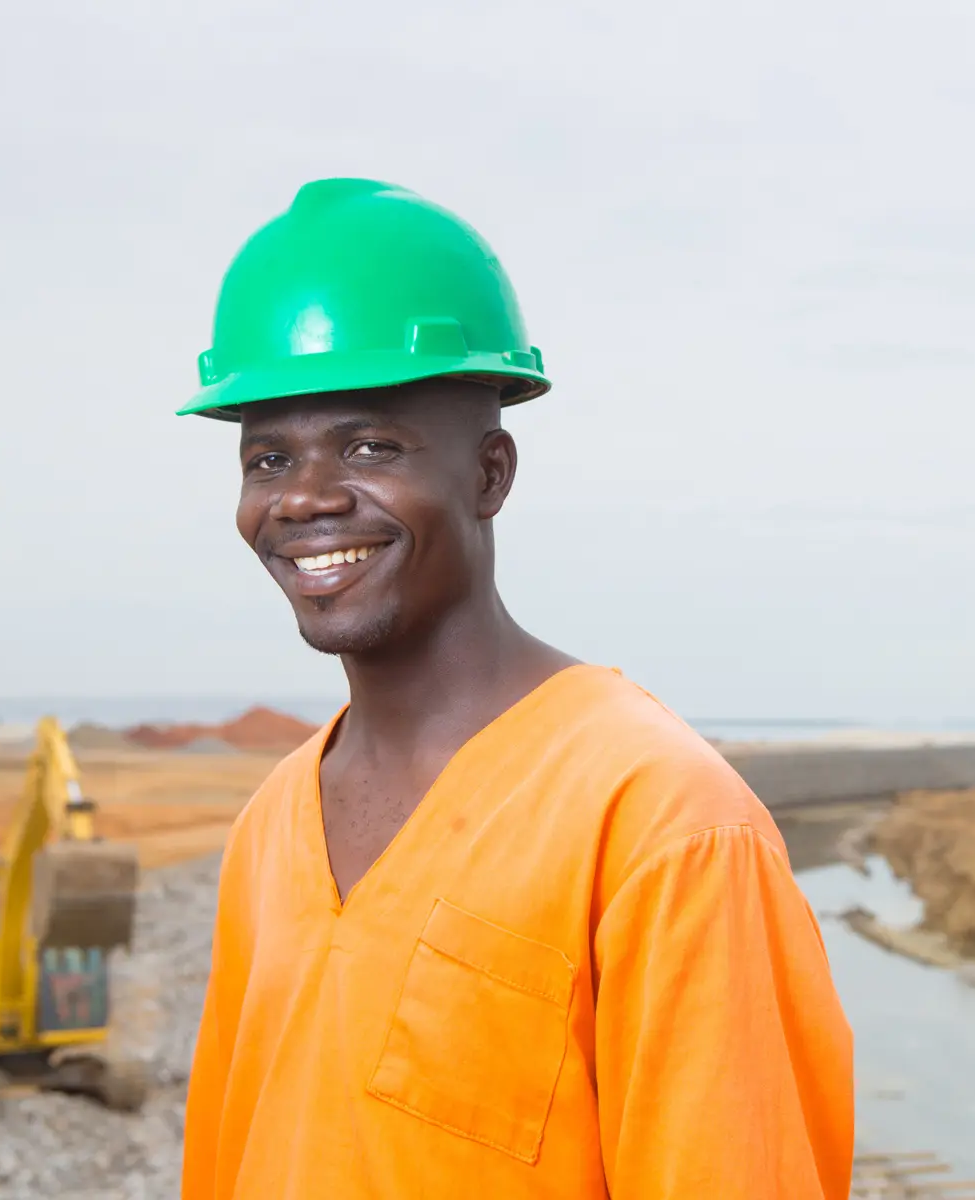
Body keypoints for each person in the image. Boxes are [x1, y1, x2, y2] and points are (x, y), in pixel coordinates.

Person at [176, 178, 854, 1198]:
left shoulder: (659, 822)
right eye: (268, 458)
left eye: (369, 444)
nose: (306, 497)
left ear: (491, 474)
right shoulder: (272, 828)